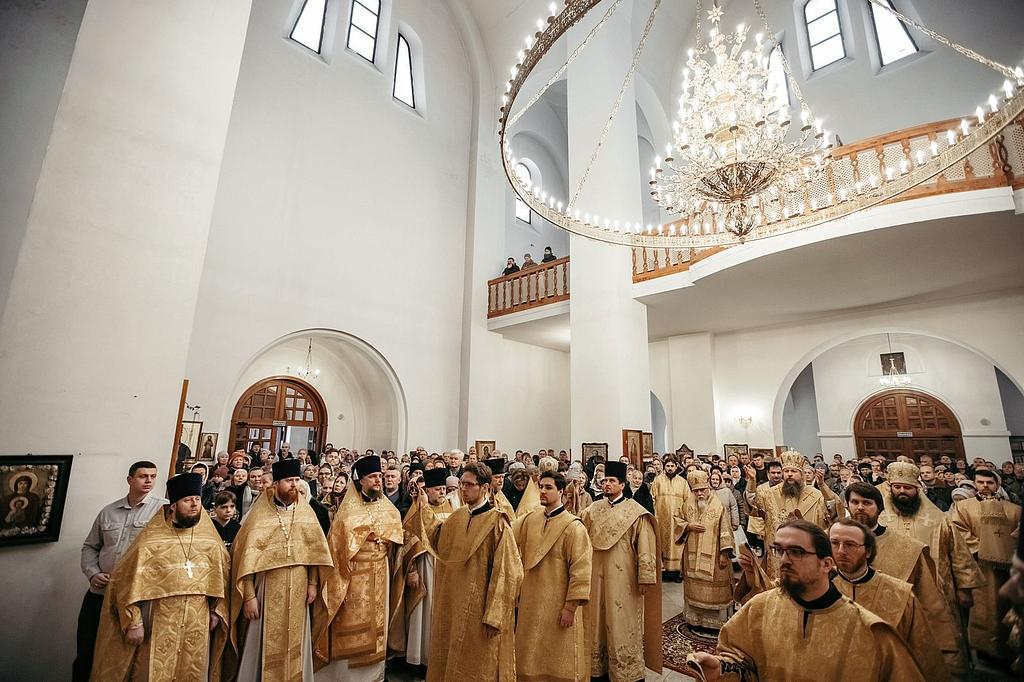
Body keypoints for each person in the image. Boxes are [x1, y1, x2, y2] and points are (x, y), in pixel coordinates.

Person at [689, 519, 925, 681]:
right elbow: (742, 664)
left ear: (826, 564)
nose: (784, 560)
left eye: (797, 552)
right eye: (779, 550)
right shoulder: (759, 608)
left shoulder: (870, 630)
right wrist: (720, 669)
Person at [89, 473, 230, 681]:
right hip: (158, 621)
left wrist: (216, 610)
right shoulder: (150, 542)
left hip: (197, 623)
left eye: (198, 499)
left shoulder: (211, 542)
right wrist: (133, 622)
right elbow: (126, 582)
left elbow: (222, 577)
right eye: (187, 500)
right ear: (173, 506)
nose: (194, 505)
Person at [230, 459, 333, 681]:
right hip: (266, 588)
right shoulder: (259, 515)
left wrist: (313, 583)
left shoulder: (305, 512)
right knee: (262, 638)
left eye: (296, 480)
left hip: (299, 586)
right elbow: (244, 559)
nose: (294, 485)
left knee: (297, 638)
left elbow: (315, 553)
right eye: (288, 481)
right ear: (275, 484)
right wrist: (249, 596)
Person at [845, 481, 960, 671]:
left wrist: (943, 644)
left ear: (880, 508)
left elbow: (929, 600)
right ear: (847, 505)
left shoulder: (908, 548)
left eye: (867, 503)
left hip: (894, 632)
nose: (860, 508)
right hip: (846, 634)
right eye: (855, 502)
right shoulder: (830, 543)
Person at [880, 461, 982, 675]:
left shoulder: (939, 519)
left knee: (942, 639)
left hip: (937, 591)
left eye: (907, 487)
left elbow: (959, 554)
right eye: (897, 487)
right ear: (890, 488)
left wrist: (964, 588)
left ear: (917, 489)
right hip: (894, 592)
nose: (902, 491)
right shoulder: (880, 519)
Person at [426, 462, 523, 681]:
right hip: (454, 603)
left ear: (485, 488)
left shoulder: (498, 524)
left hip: (481, 611)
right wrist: (421, 506)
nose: (463, 489)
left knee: (478, 665)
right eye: (462, 484)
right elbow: (437, 540)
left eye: (469, 484)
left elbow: (508, 573)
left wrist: (494, 616)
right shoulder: (457, 517)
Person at [313, 455, 403, 680]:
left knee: (378, 623)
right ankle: (345, 677)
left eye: (379, 476)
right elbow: (337, 545)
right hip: (352, 575)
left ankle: (374, 675)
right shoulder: (348, 511)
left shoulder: (389, 509)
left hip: (380, 572)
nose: (378, 480)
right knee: (349, 622)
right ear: (361, 480)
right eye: (373, 477)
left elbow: (396, 539)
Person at [73, 461, 165, 681]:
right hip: (100, 593)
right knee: (86, 651)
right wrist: (93, 573)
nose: (149, 481)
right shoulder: (109, 511)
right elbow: (90, 546)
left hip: (134, 598)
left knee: (125, 657)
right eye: (143, 476)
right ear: (130, 480)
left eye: (153, 476)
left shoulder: (162, 510)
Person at [829, 518, 949, 681]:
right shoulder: (820, 589)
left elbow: (923, 651)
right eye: (834, 543)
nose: (841, 551)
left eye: (850, 545)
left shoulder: (901, 595)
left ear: (868, 551)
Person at [580, 460, 662, 680]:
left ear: (622, 485)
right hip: (595, 576)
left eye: (612, 481)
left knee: (621, 621)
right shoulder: (592, 509)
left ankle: (624, 671)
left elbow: (645, 545)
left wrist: (645, 577)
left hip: (624, 577)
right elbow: (579, 534)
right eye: (605, 480)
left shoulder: (636, 512)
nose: (606, 484)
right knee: (597, 620)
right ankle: (599, 669)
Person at [512, 470, 592, 681]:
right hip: (531, 601)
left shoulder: (573, 527)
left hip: (558, 603)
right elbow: (507, 537)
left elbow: (581, 571)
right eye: (541, 487)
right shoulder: (530, 519)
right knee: (529, 655)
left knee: (559, 655)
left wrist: (570, 608)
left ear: (562, 492)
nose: (543, 491)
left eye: (549, 488)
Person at [951, 468, 1022, 665]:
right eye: (981, 482)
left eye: (990, 482)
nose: (985, 486)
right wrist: (981, 549)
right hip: (979, 567)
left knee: (1007, 608)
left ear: (997, 485)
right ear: (975, 484)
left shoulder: (1014, 509)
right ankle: (984, 651)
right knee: (983, 610)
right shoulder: (963, 507)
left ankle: (1009, 650)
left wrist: (1009, 550)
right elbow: (958, 531)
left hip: (1009, 570)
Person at [388, 467, 454, 671]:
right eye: (437, 489)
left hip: (446, 570)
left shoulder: (453, 510)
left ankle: (439, 656)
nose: (442, 492)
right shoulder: (416, 511)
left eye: (444, 489)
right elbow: (407, 543)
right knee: (423, 613)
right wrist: (412, 571)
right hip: (425, 567)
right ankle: (420, 657)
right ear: (427, 491)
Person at [745, 450, 827, 579]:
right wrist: (752, 481)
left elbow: (830, 514)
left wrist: (822, 485)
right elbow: (755, 506)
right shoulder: (769, 493)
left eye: (793, 471)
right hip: (777, 551)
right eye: (786, 471)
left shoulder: (815, 495)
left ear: (802, 474)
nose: (789, 474)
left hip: (804, 550)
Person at [678, 470, 735, 632]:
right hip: (691, 555)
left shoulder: (718, 506)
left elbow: (726, 530)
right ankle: (695, 620)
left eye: (702, 489)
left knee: (716, 590)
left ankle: (716, 622)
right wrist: (688, 526)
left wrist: (724, 553)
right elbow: (677, 521)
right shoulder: (687, 504)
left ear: (708, 488)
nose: (699, 493)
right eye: (696, 491)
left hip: (715, 557)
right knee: (694, 588)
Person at [650, 456, 690, 582]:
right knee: (662, 544)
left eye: (672, 466)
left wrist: (685, 517)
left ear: (676, 467)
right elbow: (652, 499)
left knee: (677, 545)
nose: (670, 468)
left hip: (678, 520)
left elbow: (688, 501)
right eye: (668, 466)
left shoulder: (682, 482)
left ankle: (678, 572)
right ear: (664, 467)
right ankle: (664, 572)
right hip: (662, 519)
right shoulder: (658, 480)